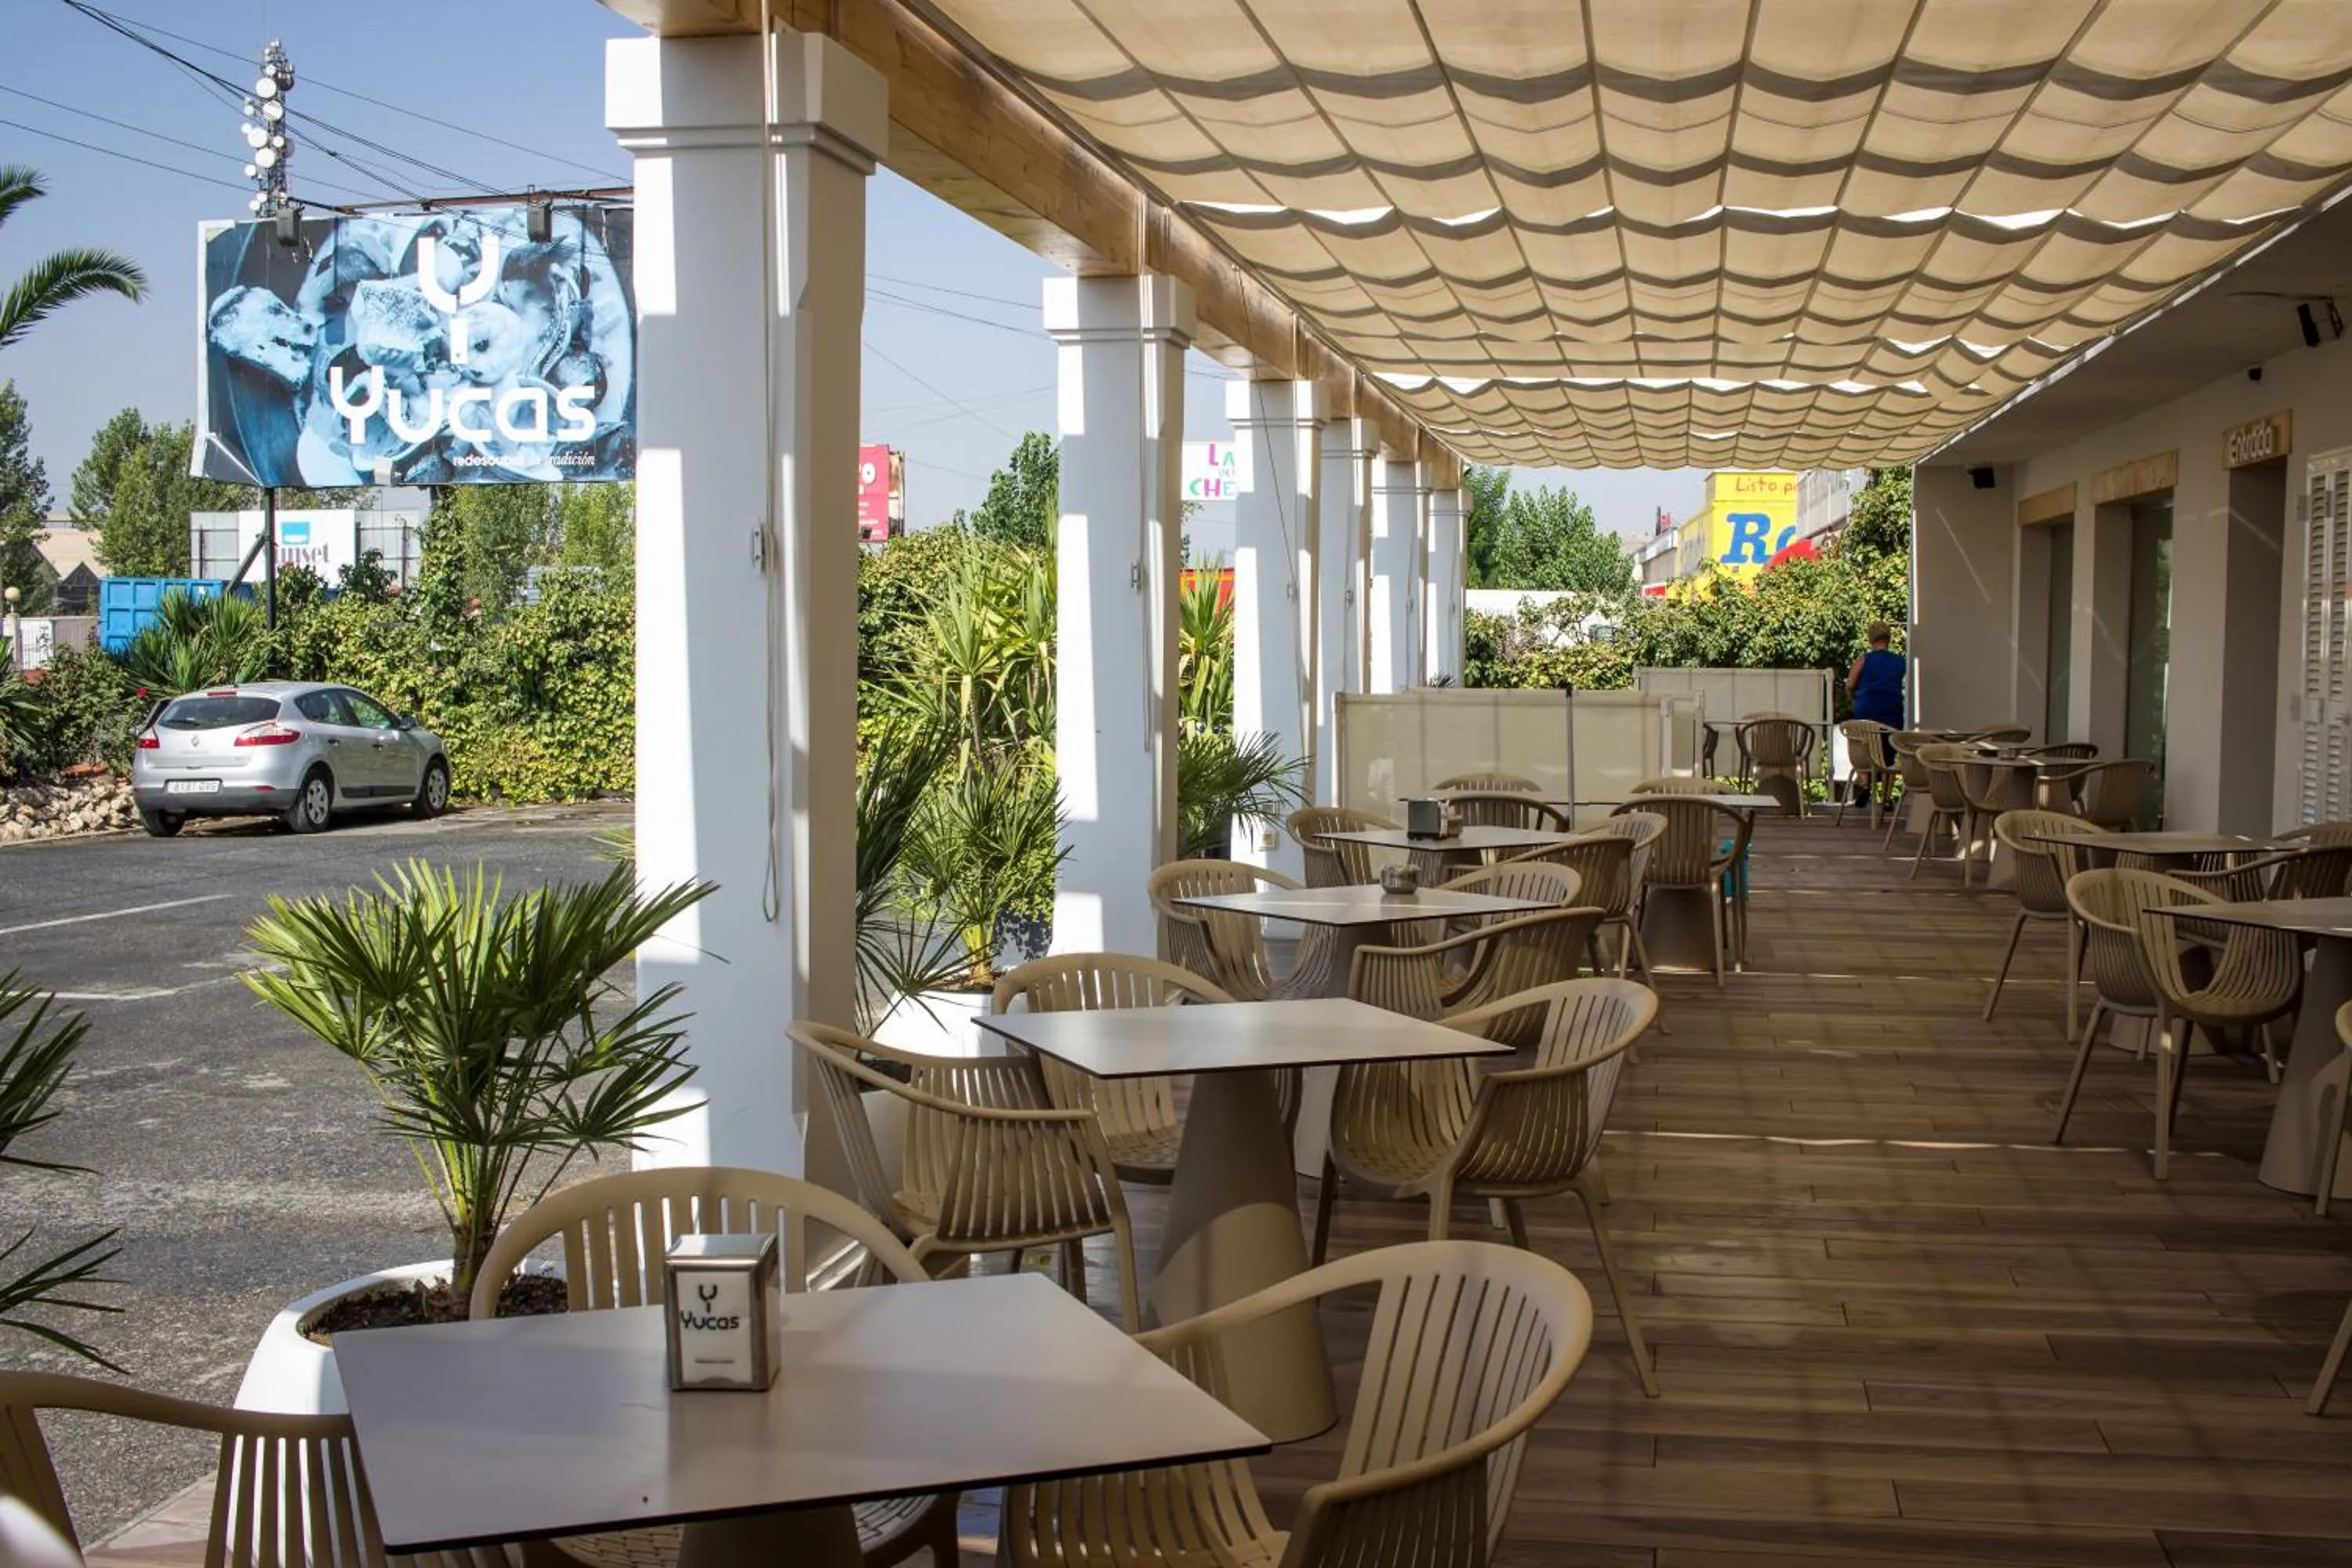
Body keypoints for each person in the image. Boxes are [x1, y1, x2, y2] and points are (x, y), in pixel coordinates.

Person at [1847, 623, 1907, 778]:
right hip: (1892, 715)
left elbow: (1851, 684)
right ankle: (1887, 799)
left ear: (1871, 639)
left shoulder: (1864, 659)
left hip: (1866, 712)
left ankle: (1865, 781)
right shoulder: (1900, 662)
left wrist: (1854, 699)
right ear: (1888, 639)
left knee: (1864, 749)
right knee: (1889, 759)